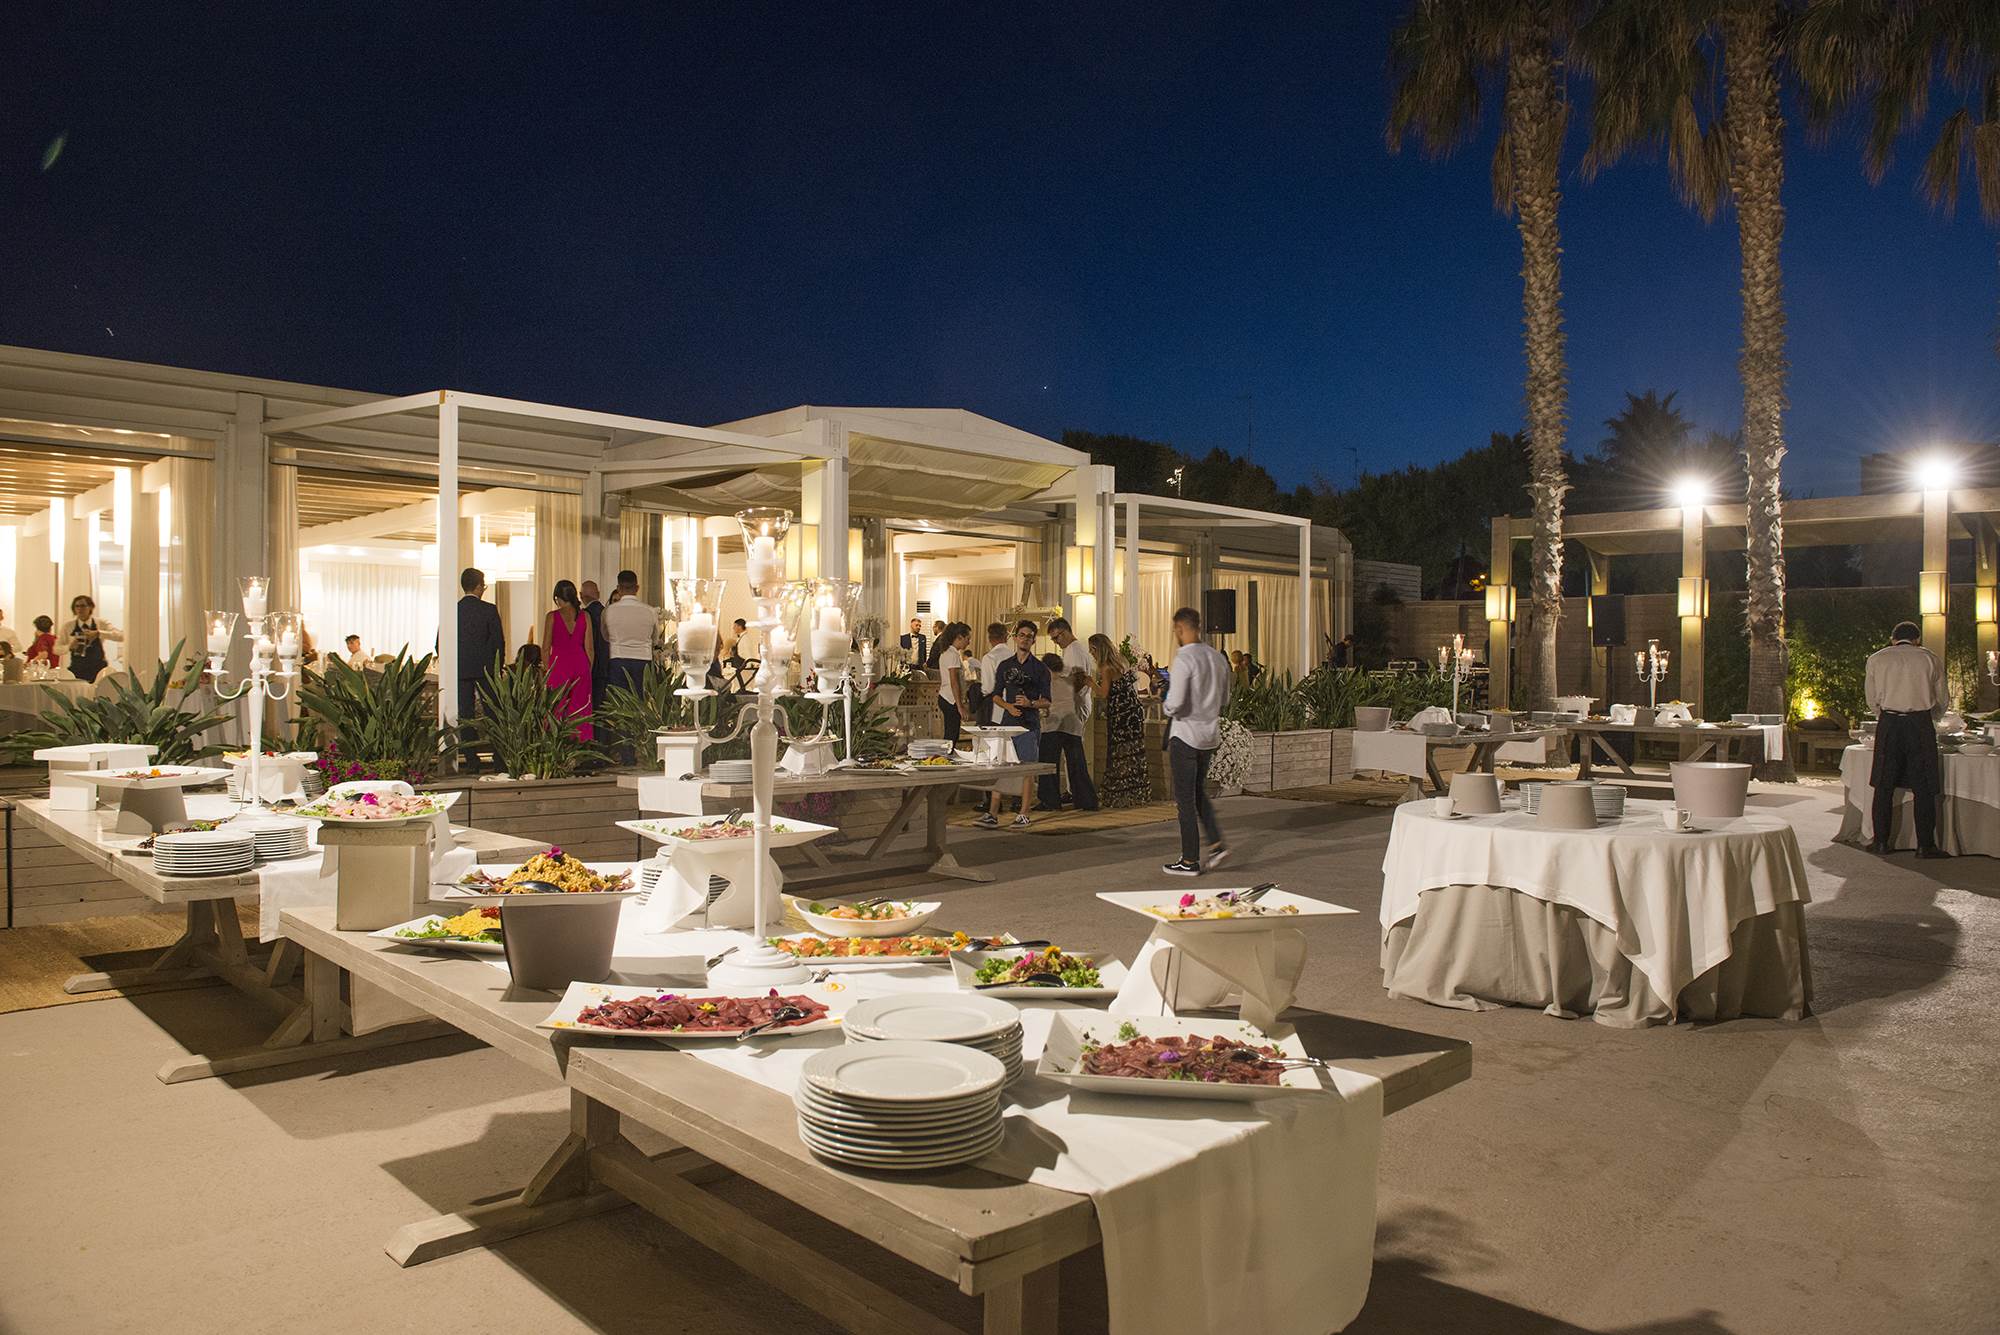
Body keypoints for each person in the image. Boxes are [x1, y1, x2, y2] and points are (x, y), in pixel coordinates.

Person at [1865, 619, 1950, 858]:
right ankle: (1925, 845)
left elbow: (1871, 698)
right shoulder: (1929, 658)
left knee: (1883, 784)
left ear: (1893, 639)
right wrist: (1931, 717)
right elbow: (1942, 698)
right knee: (1924, 785)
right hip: (1919, 723)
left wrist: (1885, 714)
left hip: (1889, 723)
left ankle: (1881, 842)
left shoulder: (1877, 658)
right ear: (1917, 639)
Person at [1162, 606, 1229, 875]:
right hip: (1209, 736)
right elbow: (1225, 699)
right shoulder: (1217, 658)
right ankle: (1217, 844)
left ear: (1180, 628)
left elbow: (1175, 702)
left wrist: (1165, 704)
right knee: (1198, 793)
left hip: (1186, 736)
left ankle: (1189, 860)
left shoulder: (1184, 658)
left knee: (1185, 800)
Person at [977, 620, 1052, 830]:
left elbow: (1047, 701)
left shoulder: (1040, 669)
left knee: (1027, 769)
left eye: (1029, 636)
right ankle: (992, 813)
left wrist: (1030, 703)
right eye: (1022, 635)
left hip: (1029, 725)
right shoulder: (1005, 665)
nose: (1025, 639)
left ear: (1033, 640)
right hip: (1007, 724)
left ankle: (1024, 814)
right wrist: (1008, 707)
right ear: (1015, 638)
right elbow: (995, 695)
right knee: (1002, 767)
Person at [1038, 616, 1098, 811]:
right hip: (1071, 708)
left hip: (1071, 708)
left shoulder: (1073, 650)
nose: (1056, 642)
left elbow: (1078, 679)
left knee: (1068, 753)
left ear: (1064, 632)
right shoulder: (1074, 650)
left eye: (1056, 637)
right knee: (1072, 754)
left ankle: (1070, 795)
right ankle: (1077, 794)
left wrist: (1064, 700)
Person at [1091, 633, 1151, 807]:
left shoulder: (1106, 668)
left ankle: (1118, 795)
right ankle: (1135, 793)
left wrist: (1089, 683)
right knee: (1133, 753)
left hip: (1120, 712)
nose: (1091, 654)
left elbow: (1104, 693)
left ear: (1098, 649)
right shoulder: (1122, 661)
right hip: (1133, 710)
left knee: (1118, 753)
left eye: (1092, 650)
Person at [456, 568, 506, 756]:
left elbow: (440, 643)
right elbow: (498, 642)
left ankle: (471, 760)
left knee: (465, 716)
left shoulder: (454, 610)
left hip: (461, 670)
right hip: (487, 670)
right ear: (478, 586)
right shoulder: (489, 610)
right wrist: (498, 667)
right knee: (493, 714)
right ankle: (499, 757)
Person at [544, 579, 595, 740]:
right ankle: (580, 743)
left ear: (557, 598)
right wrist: (587, 669)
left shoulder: (552, 617)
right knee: (580, 708)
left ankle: (557, 743)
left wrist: (547, 670)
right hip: (580, 665)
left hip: (558, 666)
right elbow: (590, 648)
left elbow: (545, 648)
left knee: (556, 708)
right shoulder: (585, 616)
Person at [601, 569, 657, 696]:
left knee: (619, 700)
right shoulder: (650, 611)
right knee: (641, 700)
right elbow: (655, 638)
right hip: (643, 660)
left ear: (618, 588)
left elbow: (605, 635)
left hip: (617, 659)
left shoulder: (608, 611)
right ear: (637, 588)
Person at [61, 595, 122, 683]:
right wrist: (69, 647)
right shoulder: (68, 626)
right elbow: (56, 648)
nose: (80, 609)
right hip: (77, 668)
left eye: (83, 606)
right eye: (77, 606)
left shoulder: (101, 623)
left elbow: (120, 636)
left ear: (90, 607)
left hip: (98, 668)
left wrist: (98, 633)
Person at [928, 622, 970, 747]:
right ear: (959, 637)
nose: (969, 642)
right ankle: (945, 757)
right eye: (967, 639)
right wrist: (960, 705)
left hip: (945, 696)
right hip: (950, 699)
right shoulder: (952, 654)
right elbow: (954, 681)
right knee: (952, 736)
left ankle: (945, 756)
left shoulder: (947, 652)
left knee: (951, 734)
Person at [579, 579, 610, 711]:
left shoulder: (583, 616)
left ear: (581, 596)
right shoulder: (607, 613)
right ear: (598, 594)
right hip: (607, 666)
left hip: (590, 667)